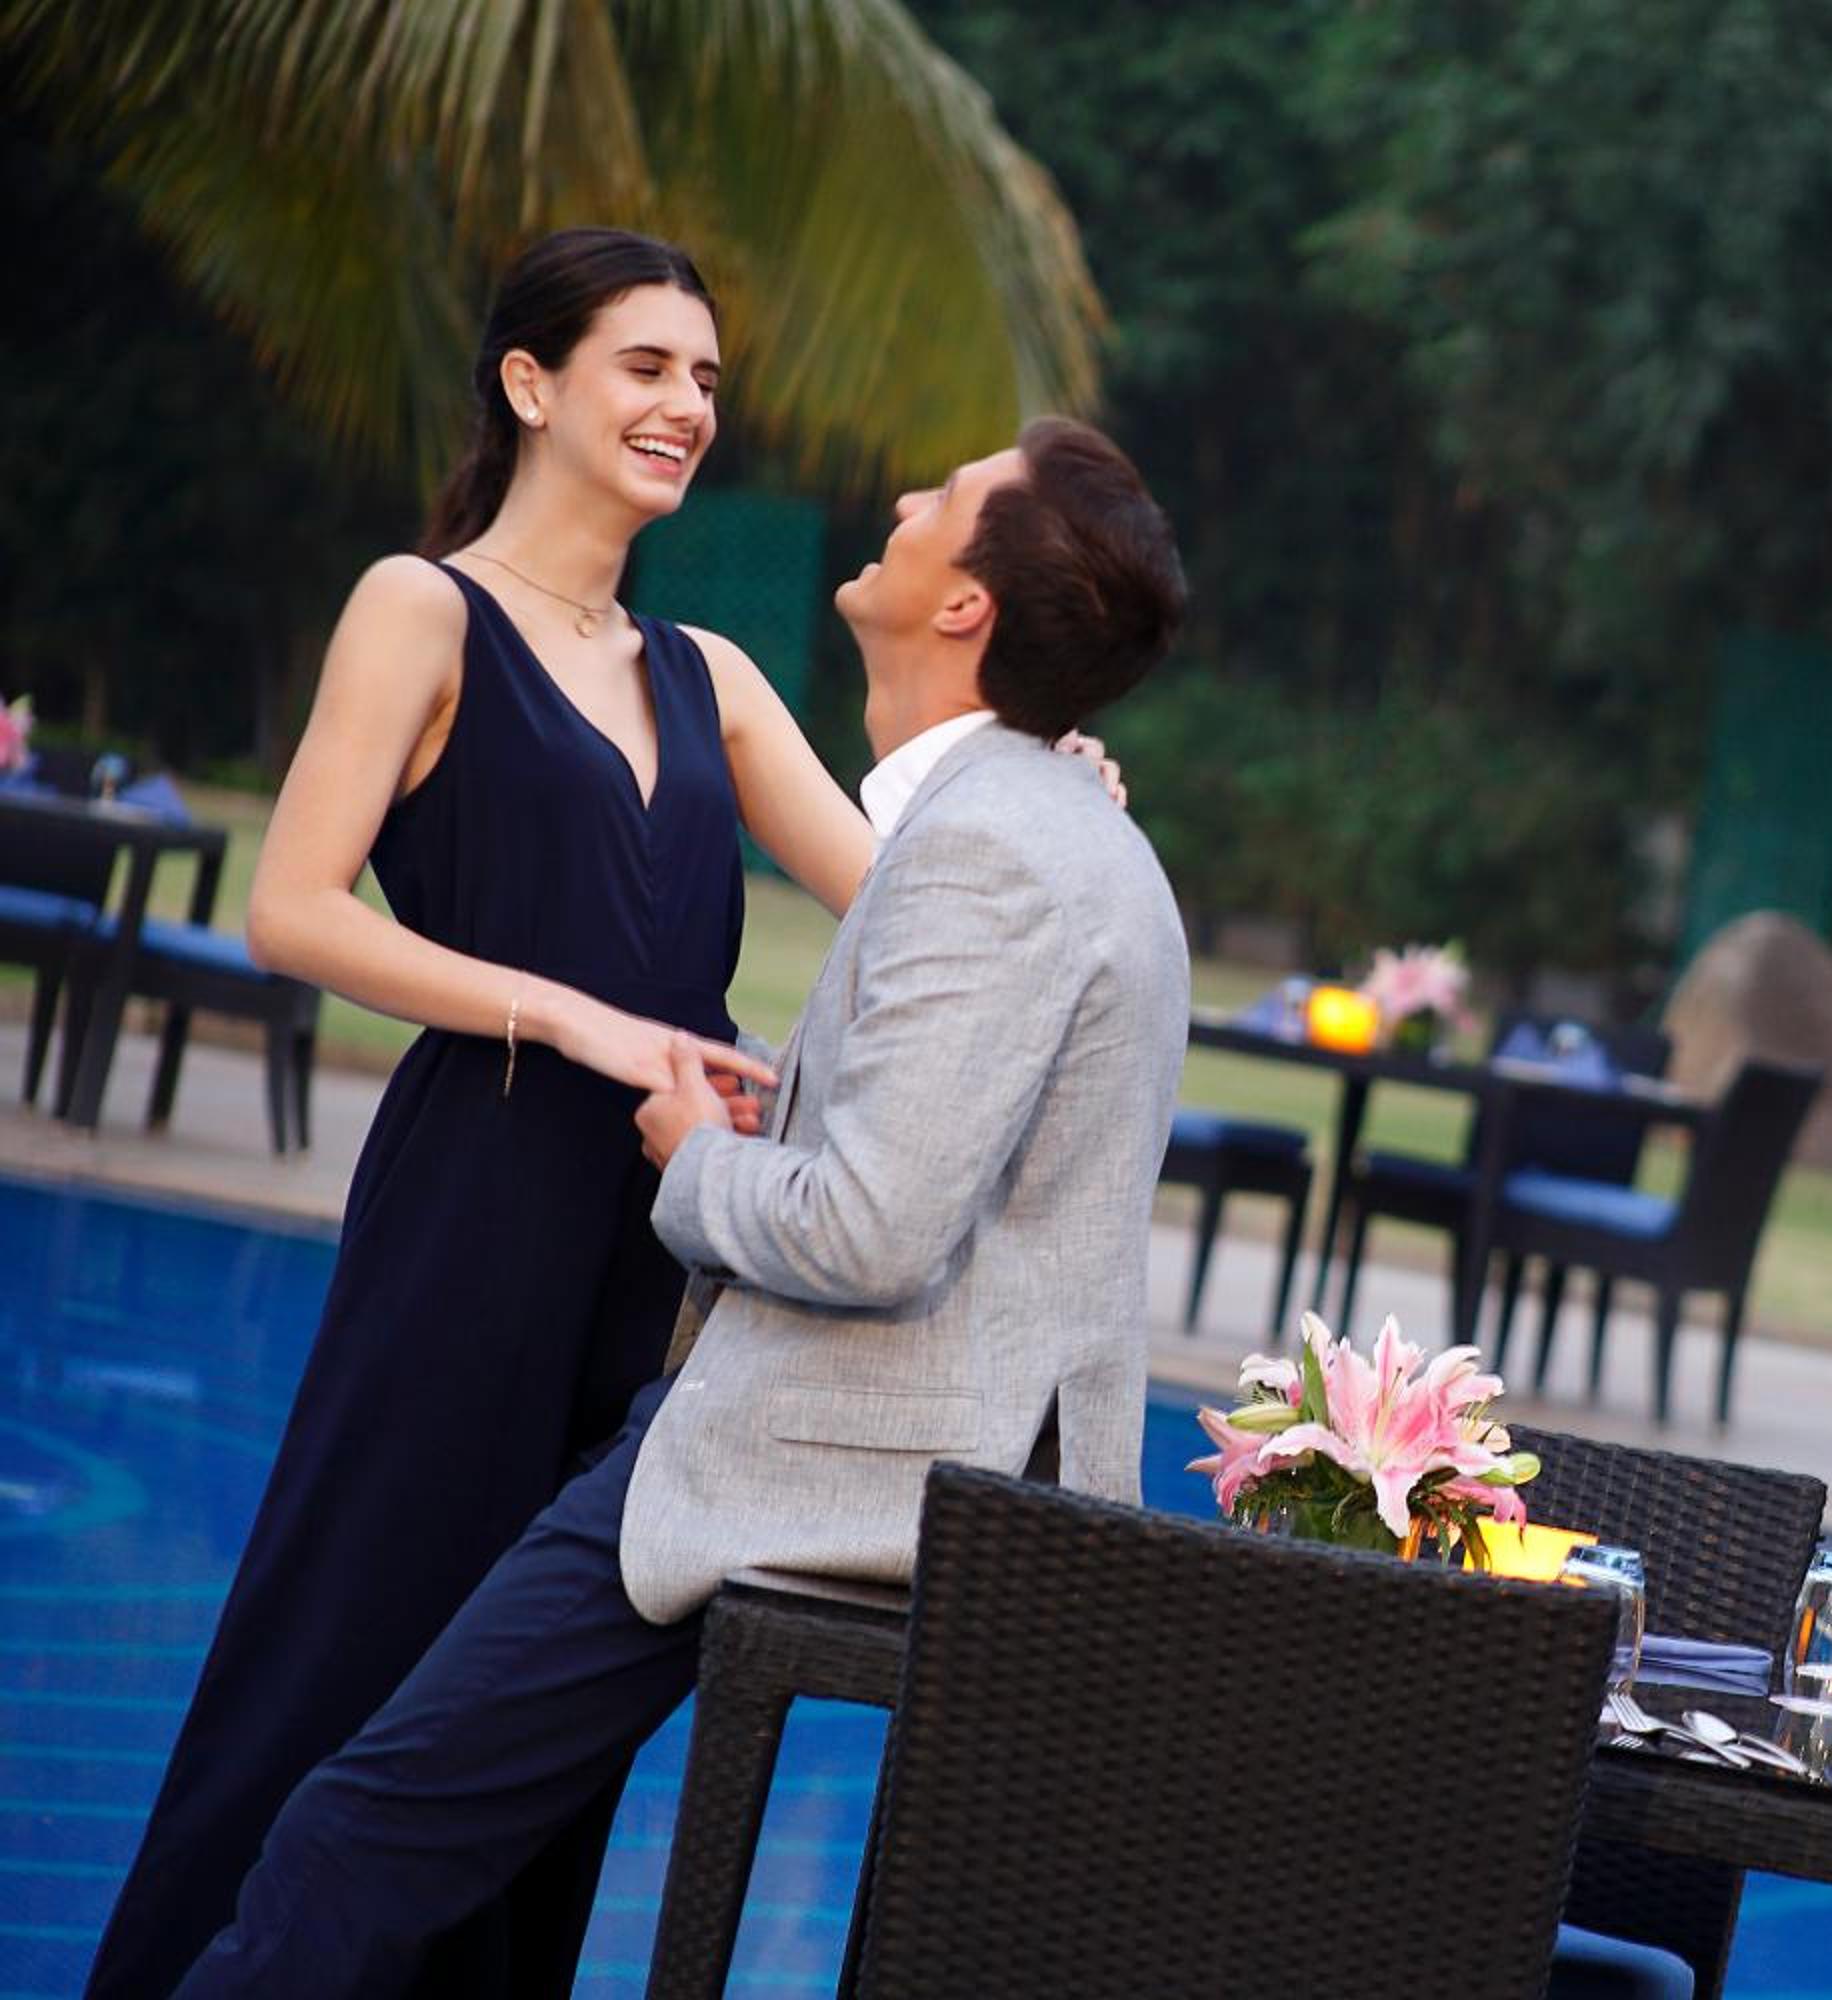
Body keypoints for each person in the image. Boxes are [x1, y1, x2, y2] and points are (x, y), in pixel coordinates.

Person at [86, 229, 1123, 1998]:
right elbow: (293, 909)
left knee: (536, 1739)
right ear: (531, 383)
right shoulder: (421, 610)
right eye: (646, 366)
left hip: (663, 1253)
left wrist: (1040, 785)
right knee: (355, 1637)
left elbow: (908, 894)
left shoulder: (707, 671)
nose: (686, 406)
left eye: (705, 378)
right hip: (473, 1206)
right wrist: (570, 1015)